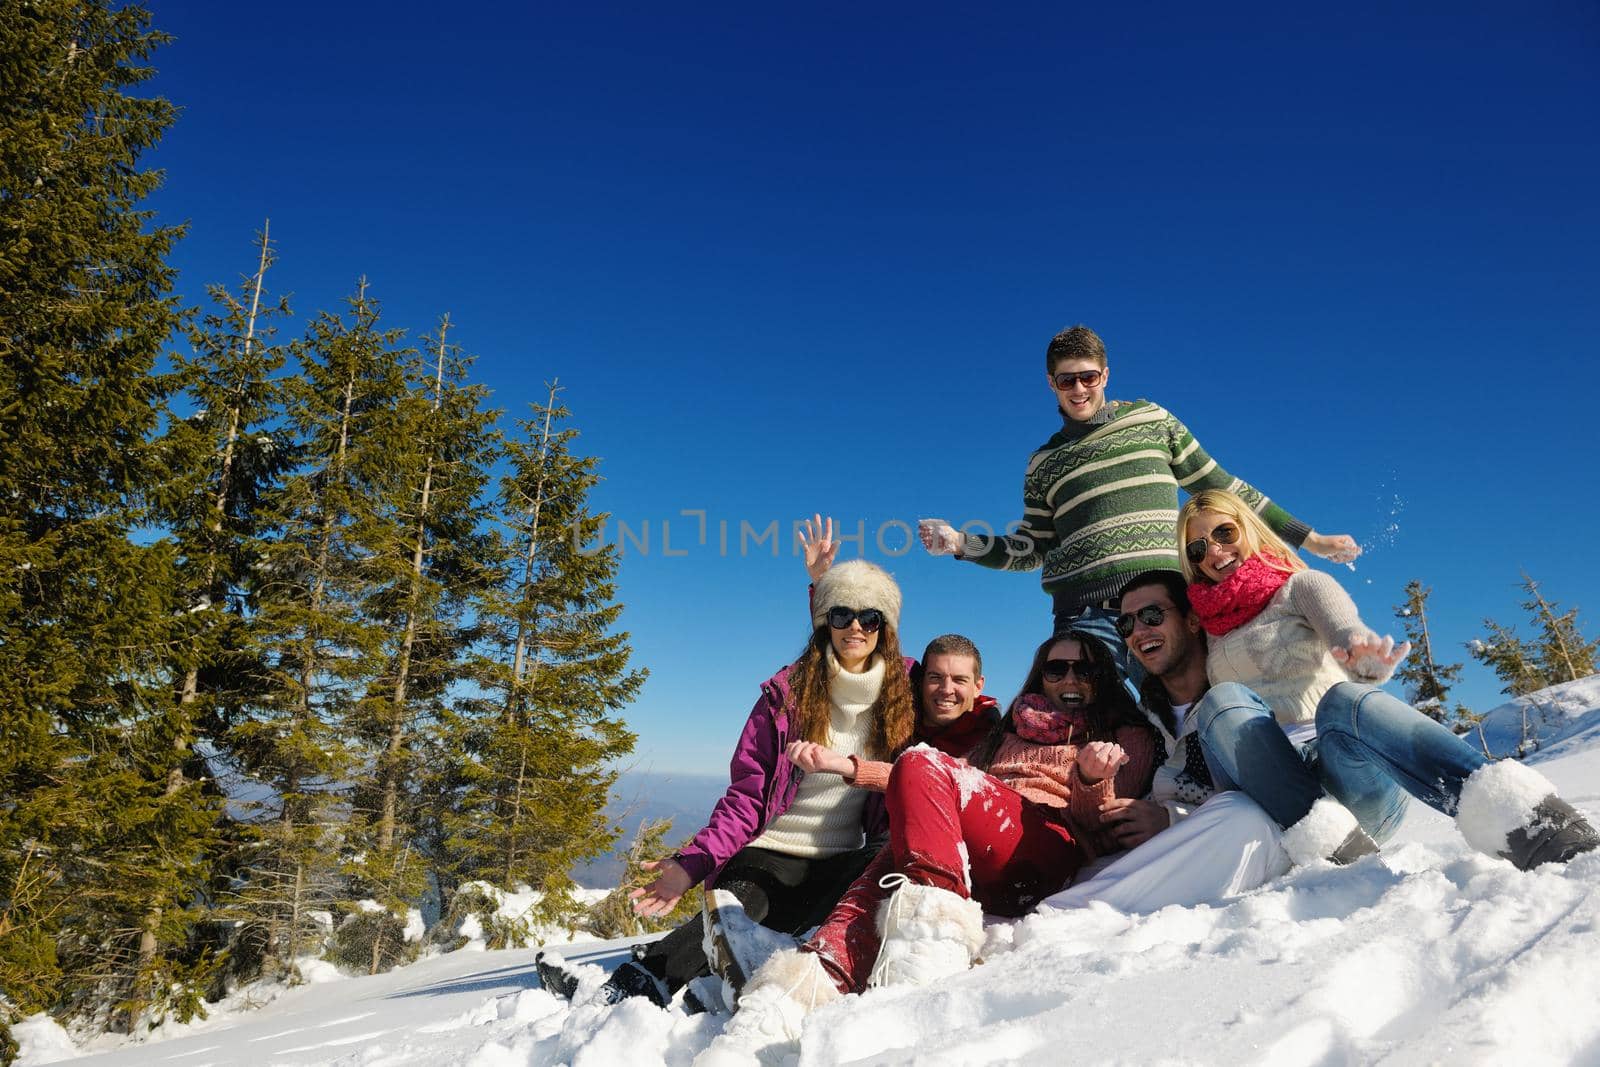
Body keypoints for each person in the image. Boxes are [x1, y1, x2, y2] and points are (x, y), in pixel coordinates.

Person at [700, 631, 1159, 1064]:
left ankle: (926, 959)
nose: (1071, 679)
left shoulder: (1125, 735)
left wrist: (1091, 778)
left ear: (1105, 678)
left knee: (915, 781)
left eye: (1086, 670)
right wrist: (846, 766)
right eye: (1056, 669)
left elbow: (1098, 824)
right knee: (905, 831)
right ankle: (801, 987)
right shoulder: (1008, 733)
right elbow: (932, 779)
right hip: (981, 851)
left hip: (1045, 849)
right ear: (1041, 675)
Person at [535, 560, 916, 1007]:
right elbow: (747, 798)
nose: (855, 626)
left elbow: (954, 693)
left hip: (839, 862)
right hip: (769, 856)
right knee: (742, 908)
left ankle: (719, 972)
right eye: (841, 615)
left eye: (869, 617)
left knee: (883, 863)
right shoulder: (787, 697)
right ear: (824, 624)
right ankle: (636, 983)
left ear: (884, 627)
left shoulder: (903, 694)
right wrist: (691, 864)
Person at [1177, 488, 1599, 870]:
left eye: (1224, 532)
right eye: (1198, 547)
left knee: (1346, 698)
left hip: (1347, 773)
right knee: (1221, 700)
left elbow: (1346, 629)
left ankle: (1535, 824)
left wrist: (1364, 659)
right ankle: (1336, 852)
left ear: (1248, 529)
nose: (1215, 550)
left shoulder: (1302, 586)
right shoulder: (1208, 630)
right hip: (1273, 792)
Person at [917, 324, 1359, 683]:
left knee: (1191, 718)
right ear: (1051, 383)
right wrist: (962, 543)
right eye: (1067, 380)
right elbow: (1031, 548)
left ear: (1105, 375)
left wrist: (1311, 539)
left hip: (1164, 603)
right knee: (1094, 733)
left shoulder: (1151, 420)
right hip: (1083, 615)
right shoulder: (1043, 464)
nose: (1079, 389)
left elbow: (1223, 487)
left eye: (1088, 377)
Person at [1044, 570, 1293, 911]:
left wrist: (1170, 818)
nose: (1138, 632)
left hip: (1250, 840)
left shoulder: (1245, 696)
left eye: (1151, 615)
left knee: (1243, 815)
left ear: (1192, 620)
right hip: (1171, 858)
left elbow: (1278, 792)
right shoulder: (1142, 720)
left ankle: (1073, 915)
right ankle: (1072, 910)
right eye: (1126, 625)